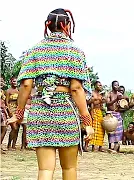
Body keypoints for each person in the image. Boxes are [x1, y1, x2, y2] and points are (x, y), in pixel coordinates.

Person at [7, 8, 94, 180]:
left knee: (45, 170)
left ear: (47, 25)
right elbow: (76, 89)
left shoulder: (35, 50)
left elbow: (26, 85)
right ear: (67, 26)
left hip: (40, 111)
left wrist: (18, 113)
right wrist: (87, 120)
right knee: (69, 168)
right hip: (66, 113)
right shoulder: (75, 51)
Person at [105, 80, 125, 150]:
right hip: (110, 113)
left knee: (118, 131)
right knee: (110, 130)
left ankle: (116, 146)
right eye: (115, 85)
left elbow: (123, 104)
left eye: (118, 85)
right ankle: (110, 145)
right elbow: (107, 104)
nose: (117, 86)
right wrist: (116, 99)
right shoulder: (109, 94)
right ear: (112, 86)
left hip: (117, 113)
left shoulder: (120, 94)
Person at [88, 81, 105, 152]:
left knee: (102, 129)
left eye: (101, 85)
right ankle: (93, 146)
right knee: (94, 128)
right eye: (99, 85)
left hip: (99, 111)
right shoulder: (91, 93)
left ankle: (100, 146)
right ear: (95, 86)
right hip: (93, 111)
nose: (100, 86)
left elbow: (101, 106)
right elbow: (88, 102)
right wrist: (92, 100)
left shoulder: (101, 94)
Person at [6, 77, 19, 150]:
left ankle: (13, 145)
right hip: (10, 109)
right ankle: (8, 145)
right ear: (11, 82)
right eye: (14, 81)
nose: (15, 83)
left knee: (16, 128)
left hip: (16, 109)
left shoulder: (18, 91)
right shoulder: (8, 91)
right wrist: (9, 112)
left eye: (16, 81)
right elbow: (7, 102)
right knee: (14, 128)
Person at [0, 77, 10, 154]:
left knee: (4, 128)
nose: (1, 83)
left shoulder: (2, 91)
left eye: (2, 81)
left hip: (3, 112)